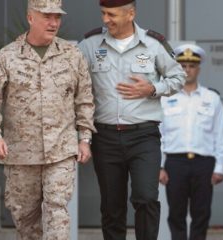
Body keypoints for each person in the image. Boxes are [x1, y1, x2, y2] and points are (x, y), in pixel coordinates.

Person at [0, 0, 95, 239]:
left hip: (61, 151)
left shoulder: (72, 55)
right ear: (31, 18)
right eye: (47, 16)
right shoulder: (7, 57)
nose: (53, 22)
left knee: (57, 211)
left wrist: (85, 138)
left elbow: (85, 100)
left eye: (57, 17)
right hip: (20, 154)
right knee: (25, 220)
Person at [78, 1, 185, 239]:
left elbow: (178, 77)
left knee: (146, 198)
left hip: (143, 136)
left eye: (112, 14)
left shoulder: (153, 44)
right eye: (103, 13)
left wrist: (153, 88)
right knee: (112, 207)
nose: (106, 19)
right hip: (104, 137)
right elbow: (72, 84)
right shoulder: (89, 45)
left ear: (131, 13)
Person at [159, 44, 223, 240]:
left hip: (204, 164)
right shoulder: (166, 98)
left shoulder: (212, 98)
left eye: (191, 65)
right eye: (183, 65)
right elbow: (159, 135)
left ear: (198, 69)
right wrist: (159, 166)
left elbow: (220, 134)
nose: (187, 69)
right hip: (175, 163)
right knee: (176, 215)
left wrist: (220, 167)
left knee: (202, 214)